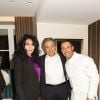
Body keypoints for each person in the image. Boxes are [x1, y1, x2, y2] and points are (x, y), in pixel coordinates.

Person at [13, 34, 40, 100]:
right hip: (25, 95)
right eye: (27, 44)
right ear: (23, 46)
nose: (30, 47)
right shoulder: (19, 59)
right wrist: (22, 98)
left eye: (32, 44)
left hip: (36, 94)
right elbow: (17, 83)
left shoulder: (36, 58)